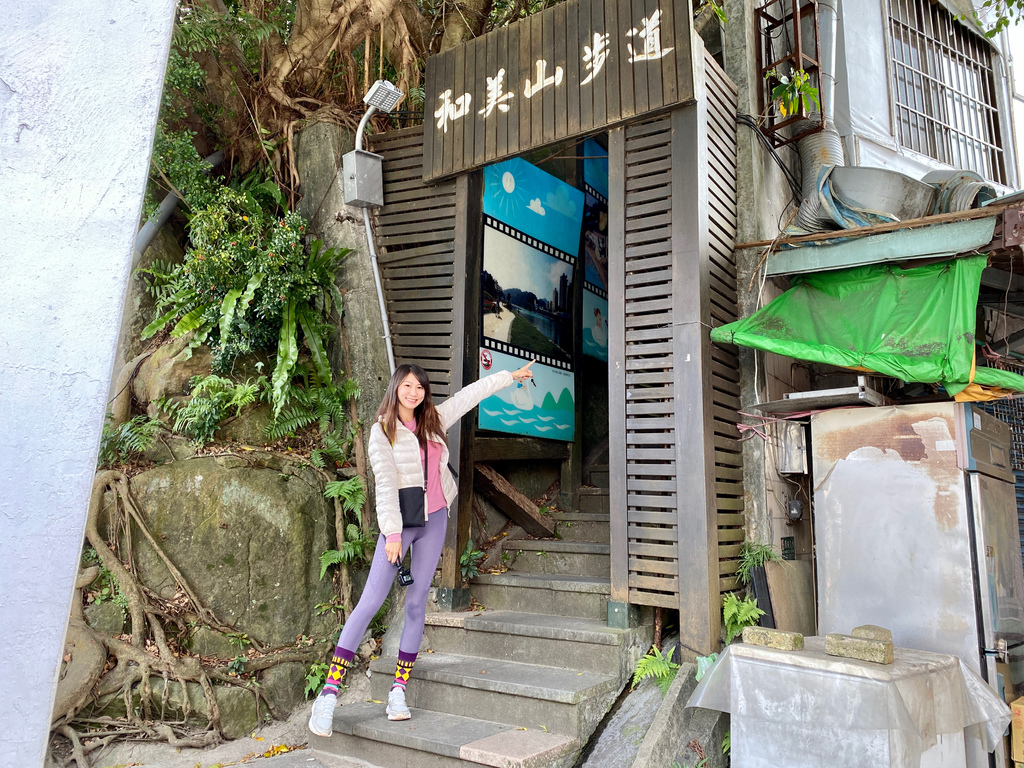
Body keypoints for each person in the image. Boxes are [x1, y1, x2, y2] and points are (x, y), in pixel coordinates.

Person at [308, 359, 535, 737]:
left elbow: (470, 395)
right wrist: (392, 534)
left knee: (416, 603)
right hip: (401, 526)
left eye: (420, 387)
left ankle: (398, 690)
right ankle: (329, 694)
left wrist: (508, 378)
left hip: (435, 521)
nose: (414, 393)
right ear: (396, 387)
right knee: (369, 603)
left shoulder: (435, 421)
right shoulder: (382, 431)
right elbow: (383, 484)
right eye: (407, 386)